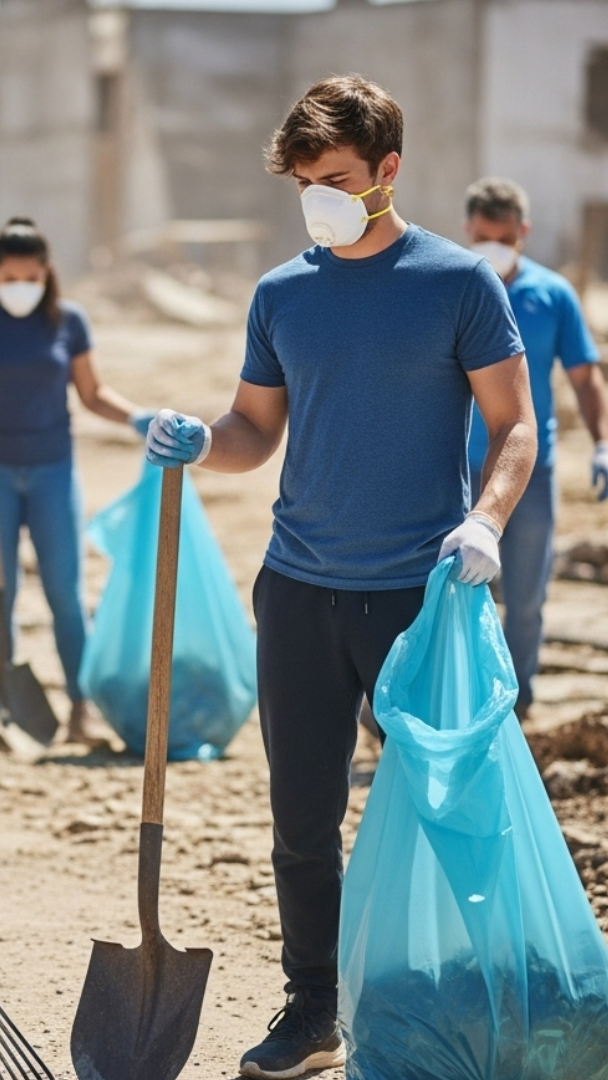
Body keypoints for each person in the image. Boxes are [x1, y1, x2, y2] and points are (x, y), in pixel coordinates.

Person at [145, 76, 536, 1079]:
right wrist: (197, 439)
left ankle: (462, 1006)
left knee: (448, 811)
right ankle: (312, 1010)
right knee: (302, 823)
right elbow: (253, 432)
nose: (320, 196)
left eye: (339, 179)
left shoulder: (459, 285)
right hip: (301, 591)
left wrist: (484, 522)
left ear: (389, 170)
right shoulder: (283, 294)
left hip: (424, 593)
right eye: (307, 183)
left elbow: (517, 426)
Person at [0, 217, 154, 747]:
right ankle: (4, 714)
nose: (19, 286)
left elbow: (92, 392)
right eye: (9, 276)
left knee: (65, 592)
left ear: (45, 273)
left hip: (54, 469)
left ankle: (82, 709)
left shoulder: (68, 321)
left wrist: (136, 418)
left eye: (29, 276)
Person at [465, 177, 608, 721]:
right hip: (457, 471)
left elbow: (585, 375)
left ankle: (515, 708)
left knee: (524, 602)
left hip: (531, 472)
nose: (492, 247)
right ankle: (443, 704)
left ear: (523, 232)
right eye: (482, 237)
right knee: (438, 593)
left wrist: (601, 443)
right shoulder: (454, 289)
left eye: (502, 236)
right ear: (466, 230)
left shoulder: (552, 296)